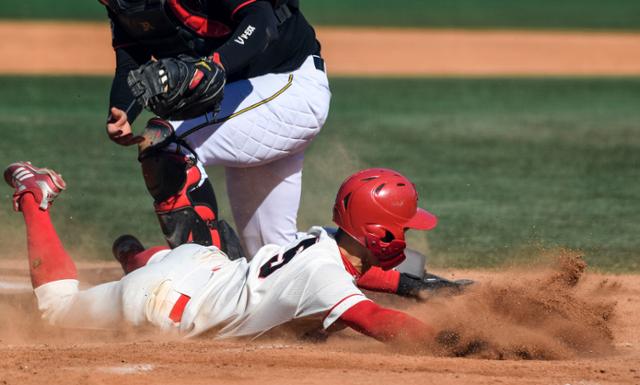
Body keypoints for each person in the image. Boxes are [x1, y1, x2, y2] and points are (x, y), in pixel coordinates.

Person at [4, 162, 438, 346]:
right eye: (402, 228)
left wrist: (415, 286)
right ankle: (32, 197)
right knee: (56, 313)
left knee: (165, 266)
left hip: (198, 264)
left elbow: (354, 276)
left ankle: (135, 255)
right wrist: (447, 341)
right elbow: (376, 320)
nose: (407, 235)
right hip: (165, 302)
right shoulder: (326, 280)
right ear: (378, 235)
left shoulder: (324, 241)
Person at [101, 0, 331, 256]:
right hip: (249, 103)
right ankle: (356, 252)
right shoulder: (121, 5)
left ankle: (205, 270)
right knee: (270, 257)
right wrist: (122, 110)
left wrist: (216, 63)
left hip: (289, 86)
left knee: (164, 140)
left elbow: (261, 20)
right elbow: (132, 61)